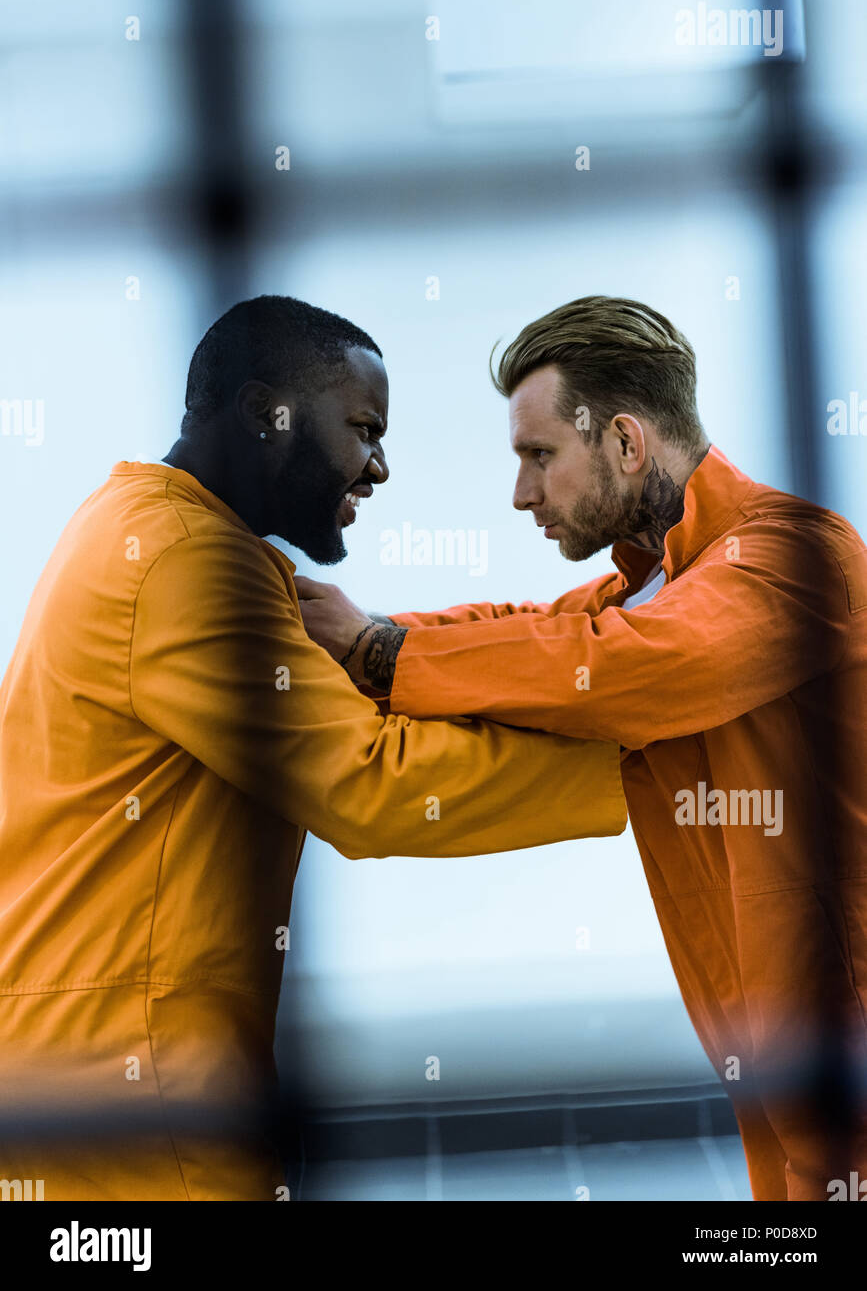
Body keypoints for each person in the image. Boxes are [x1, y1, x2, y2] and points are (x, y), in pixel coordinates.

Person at [0, 295, 626, 1202]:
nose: (377, 467)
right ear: (267, 414)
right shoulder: (183, 560)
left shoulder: (138, 528)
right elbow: (370, 785)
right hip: (121, 1083)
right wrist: (642, 769)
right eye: (362, 428)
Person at [297, 294, 867, 1202]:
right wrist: (356, 634)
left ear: (627, 443)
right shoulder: (660, 586)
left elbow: (628, 664)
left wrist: (382, 652)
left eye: (538, 457)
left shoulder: (794, 554)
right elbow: (527, 630)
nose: (522, 492)